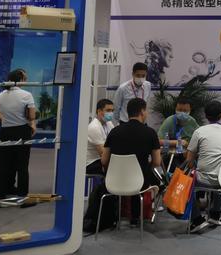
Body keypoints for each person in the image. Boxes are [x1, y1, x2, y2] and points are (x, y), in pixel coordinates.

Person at [83, 98, 161, 233]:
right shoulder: (151, 133)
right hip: (140, 183)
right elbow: (157, 162)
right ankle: (136, 218)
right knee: (149, 177)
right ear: (142, 112)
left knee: (130, 175)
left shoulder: (114, 131)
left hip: (115, 181)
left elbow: (104, 161)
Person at [185, 100, 221, 233]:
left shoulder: (199, 132)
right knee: (219, 175)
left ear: (206, 116)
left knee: (185, 184)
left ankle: (196, 220)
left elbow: (189, 161)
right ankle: (215, 214)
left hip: (204, 180)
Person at [0, 69, 36, 198]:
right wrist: (29, 122)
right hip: (22, 130)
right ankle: (22, 195)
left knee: (3, 163)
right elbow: (32, 116)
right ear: (20, 79)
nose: (26, 81)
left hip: (5, 131)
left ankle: (0, 192)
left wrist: (7, 120)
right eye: (25, 79)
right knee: (22, 165)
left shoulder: (1, 95)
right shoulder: (27, 95)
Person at [156, 96, 199, 168]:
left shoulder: (192, 122)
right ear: (175, 109)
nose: (182, 113)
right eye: (179, 110)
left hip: (188, 154)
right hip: (172, 155)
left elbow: (199, 138)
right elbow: (158, 141)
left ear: (190, 110)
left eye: (185, 111)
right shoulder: (169, 121)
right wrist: (178, 142)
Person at [86, 99, 115, 175]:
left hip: (103, 159)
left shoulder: (109, 124)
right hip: (92, 162)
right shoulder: (94, 127)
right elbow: (103, 154)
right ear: (99, 111)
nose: (111, 113)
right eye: (108, 110)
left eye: (112, 111)